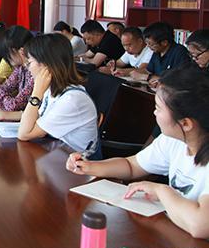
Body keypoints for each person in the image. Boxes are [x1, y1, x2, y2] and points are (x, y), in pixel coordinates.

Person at [66, 67, 209, 238]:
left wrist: (162, 191)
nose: (154, 113)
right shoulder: (173, 141)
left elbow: (200, 225)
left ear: (185, 124)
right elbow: (131, 165)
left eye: (158, 108)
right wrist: (89, 166)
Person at [17, 33, 99, 155]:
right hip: (58, 153)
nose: (28, 68)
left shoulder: (71, 99)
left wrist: (36, 92)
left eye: (29, 63)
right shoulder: (53, 89)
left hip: (78, 162)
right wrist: (5, 115)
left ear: (46, 65)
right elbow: (37, 116)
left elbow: (24, 134)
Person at [0, 25, 35, 121]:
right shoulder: (20, 68)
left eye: (7, 53)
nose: (6, 57)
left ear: (21, 51)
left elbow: (14, 105)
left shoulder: (34, 72)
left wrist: (0, 94)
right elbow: (6, 87)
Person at [139, 22, 191, 86]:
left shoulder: (180, 52)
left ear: (164, 42)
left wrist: (149, 77)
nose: (148, 47)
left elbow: (181, 79)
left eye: (151, 44)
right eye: (147, 43)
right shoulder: (157, 52)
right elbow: (148, 71)